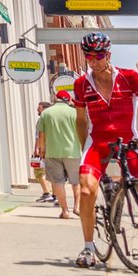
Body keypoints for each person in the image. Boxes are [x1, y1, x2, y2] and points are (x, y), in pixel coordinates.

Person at [72, 32, 138, 270]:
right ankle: (89, 248)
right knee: (87, 189)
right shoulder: (81, 84)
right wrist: (84, 149)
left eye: (99, 55)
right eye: (89, 56)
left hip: (128, 141)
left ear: (108, 54)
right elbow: (81, 121)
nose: (94, 60)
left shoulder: (130, 77)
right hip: (97, 142)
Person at [35, 90, 81, 219]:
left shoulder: (46, 113)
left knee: (57, 182)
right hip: (73, 151)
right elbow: (82, 131)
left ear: (56, 98)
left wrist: (42, 150)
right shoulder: (75, 112)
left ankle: (65, 210)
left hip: (52, 151)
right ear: (68, 100)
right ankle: (77, 207)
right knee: (76, 181)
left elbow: (41, 134)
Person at [31, 102, 55, 203]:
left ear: (44, 109)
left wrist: (37, 149)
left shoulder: (42, 120)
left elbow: (39, 136)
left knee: (39, 171)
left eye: (39, 108)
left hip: (42, 149)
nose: (37, 109)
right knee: (53, 173)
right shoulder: (51, 119)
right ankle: (54, 194)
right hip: (51, 148)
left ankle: (47, 193)